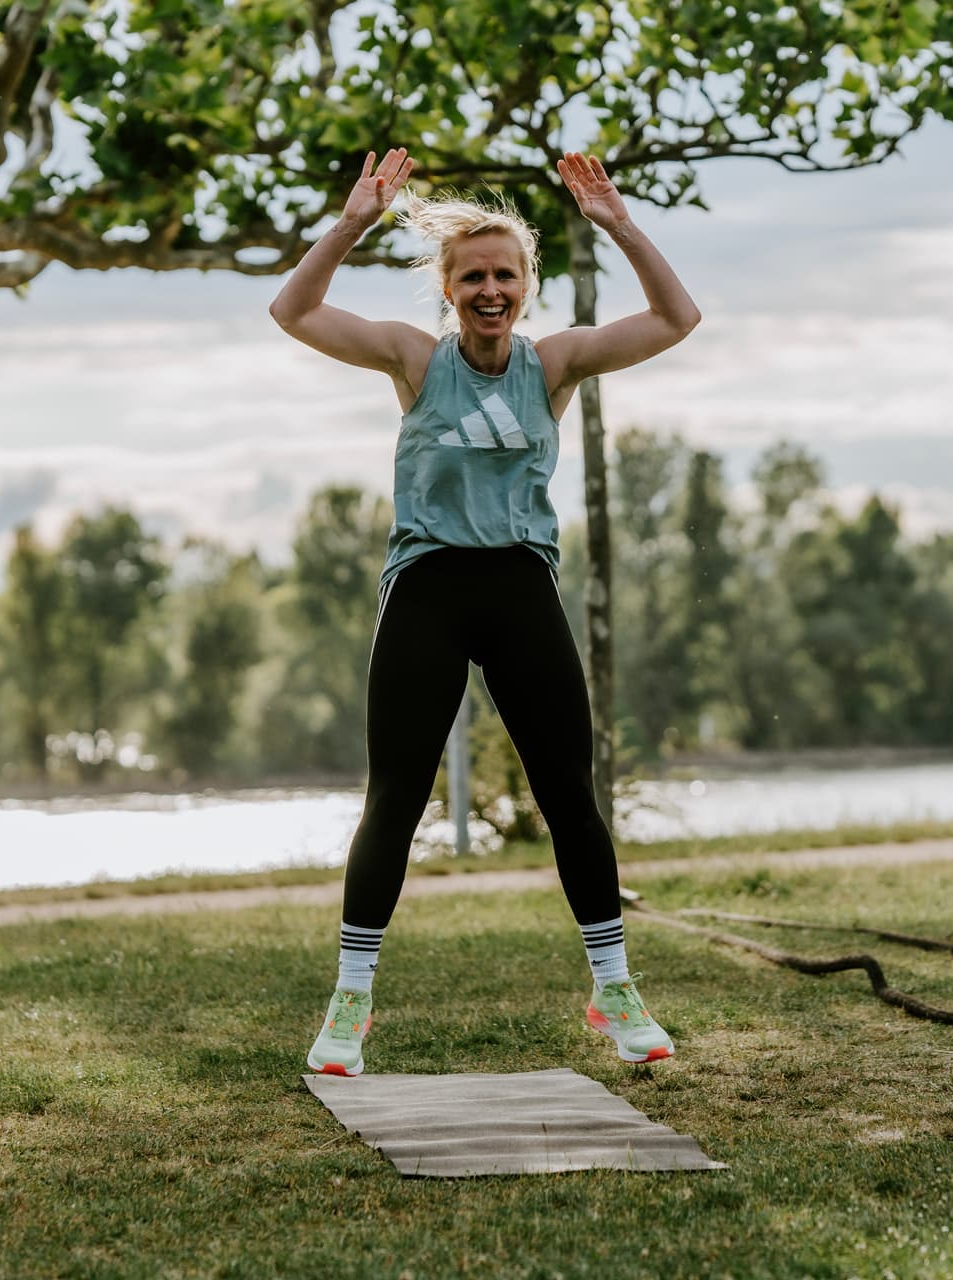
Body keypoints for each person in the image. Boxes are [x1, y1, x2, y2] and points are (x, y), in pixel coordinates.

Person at [269, 148, 701, 1076]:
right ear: (448, 288)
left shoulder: (556, 365)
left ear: (527, 286)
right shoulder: (415, 360)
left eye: (506, 275)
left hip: (519, 591)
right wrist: (351, 224)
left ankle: (615, 990)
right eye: (474, 276)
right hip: (427, 589)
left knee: (571, 799)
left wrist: (620, 225)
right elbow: (292, 311)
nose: (491, 288)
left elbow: (678, 318)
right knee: (393, 801)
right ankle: (350, 1004)